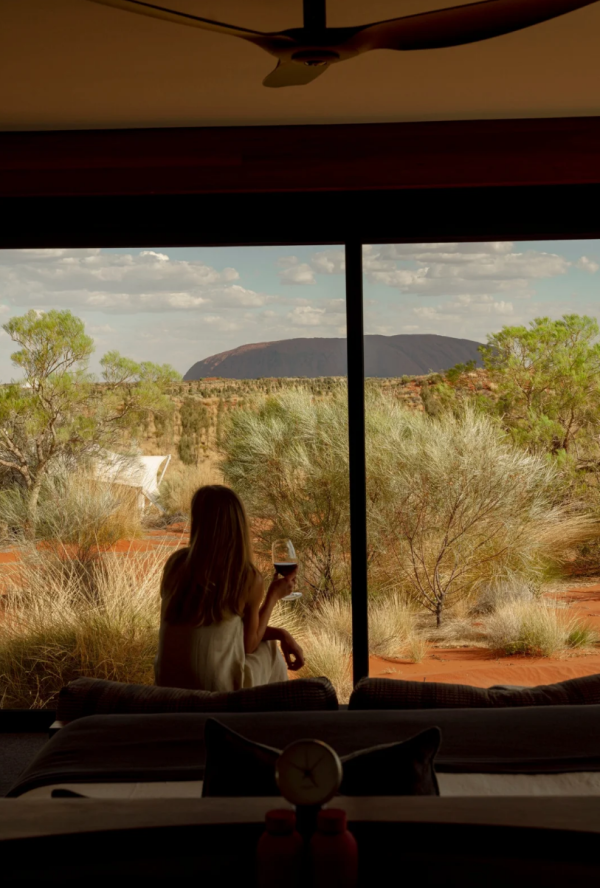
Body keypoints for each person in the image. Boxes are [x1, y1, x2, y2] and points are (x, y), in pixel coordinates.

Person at [154, 484, 305, 692]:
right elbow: (249, 644)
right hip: (216, 692)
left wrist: (281, 633)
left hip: (169, 688)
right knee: (268, 650)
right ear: (238, 524)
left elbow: (218, 630)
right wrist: (273, 596)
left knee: (267, 642)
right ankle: (273, 719)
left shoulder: (176, 564)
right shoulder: (246, 577)